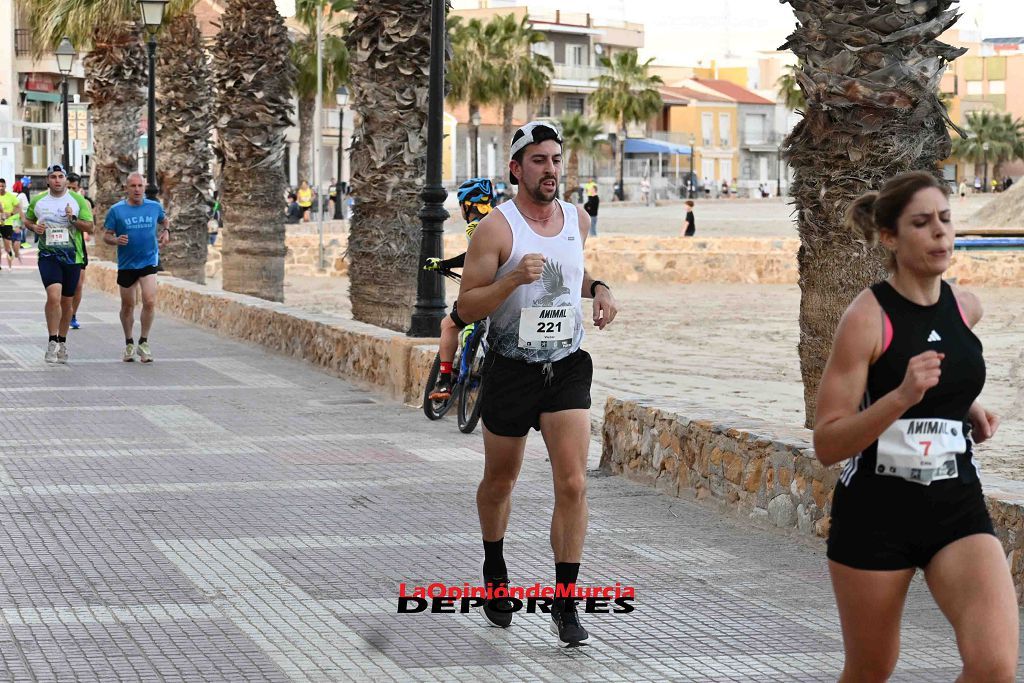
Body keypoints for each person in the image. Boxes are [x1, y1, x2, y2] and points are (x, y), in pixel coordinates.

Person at [814, 171, 1018, 681]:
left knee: (994, 666)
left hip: (957, 509)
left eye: (945, 221)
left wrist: (963, 405)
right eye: (922, 223)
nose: (940, 234)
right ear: (890, 237)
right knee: (870, 669)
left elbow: (946, 373)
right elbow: (827, 441)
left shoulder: (964, 306)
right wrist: (903, 396)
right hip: (876, 518)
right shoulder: (866, 318)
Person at [456, 121, 618, 647]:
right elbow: (466, 305)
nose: (550, 170)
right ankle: (495, 568)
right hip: (511, 369)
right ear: (516, 168)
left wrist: (601, 289)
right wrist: (510, 280)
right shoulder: (497, 230)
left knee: (573, 483)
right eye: (539, 161)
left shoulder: (578, 218)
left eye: (555, 160)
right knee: (501, 482)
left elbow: (573, 274)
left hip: (566, 365)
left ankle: (565, 602)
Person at [422, 177, 495, 400]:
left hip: (483, 294)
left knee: (449, 324)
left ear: (467, 205)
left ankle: (444, 381)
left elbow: (474, 256)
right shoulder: (502, 222)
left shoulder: (476, 227)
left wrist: (443, 264)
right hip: (508, 292)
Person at [21, 164, 94, 363]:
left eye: (60, 176)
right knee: (53, 297)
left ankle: (62, 341)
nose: (57, 180)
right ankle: (52, 340)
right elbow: (27, 220)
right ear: (47, 180)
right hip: (48, 256)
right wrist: (34, 227)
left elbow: (91, 227)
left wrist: (73, 219)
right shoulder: (38, 200)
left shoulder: (77, 200)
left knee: (66, 302)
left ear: (65, 179)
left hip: (72, 257)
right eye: (53, 177)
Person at [102, 172, 170, 363]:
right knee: (128, 305)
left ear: (145, 187)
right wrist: (115, 240)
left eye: (140, 186)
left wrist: (166, 231)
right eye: (133, 186)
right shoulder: (117, 210)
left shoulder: (154, 207)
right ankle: (129, 342)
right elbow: (106, 235)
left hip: (148, 261)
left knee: (149, 301)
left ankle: (144, 342)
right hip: (127, 264)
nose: (137, 190)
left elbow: (165, 220)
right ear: (127, 188)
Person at [66, 173, 94, 330]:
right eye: (68, 187)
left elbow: (91, 225)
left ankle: (73, 315)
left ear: (79, 187)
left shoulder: (84, 203)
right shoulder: (55, 201)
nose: (70, 190)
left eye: (73, 188)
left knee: (78, 284)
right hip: (59, 248)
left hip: (78, 247)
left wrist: (83, 230)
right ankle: (64, 312)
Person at [0, 178, 23, 269]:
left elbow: (18, 207)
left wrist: (10, 214)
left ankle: (9, 252)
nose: (1, 188)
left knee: (6, 247)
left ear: (5, 186)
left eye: (2, 186)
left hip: (7, 224)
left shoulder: (10, 196)